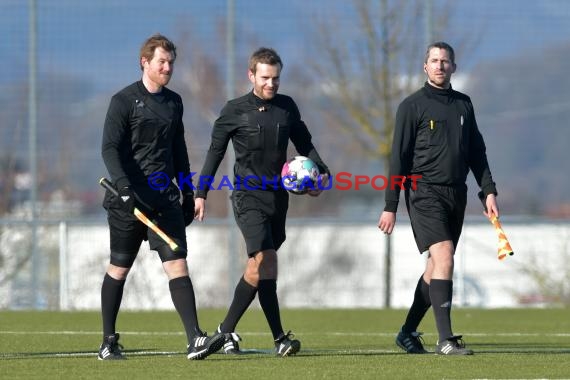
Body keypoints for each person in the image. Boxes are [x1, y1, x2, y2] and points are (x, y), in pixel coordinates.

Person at [194, 47, 330, 357]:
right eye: (265, 78)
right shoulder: (234, 110)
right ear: (251, 75)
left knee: (265, 268)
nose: (271, 84)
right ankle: (231, 331)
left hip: (278, 199)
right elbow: (214, 154)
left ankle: (270, 338)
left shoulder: (287, 107)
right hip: (247, 196)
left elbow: (305, 144)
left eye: (276, 78)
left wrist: (322, 174)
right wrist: (200, 193)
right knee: (263, 259)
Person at [98, 33, 224, 360]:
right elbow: (109, 149)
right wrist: (124, 188)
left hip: (164, 201)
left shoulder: (174, 102)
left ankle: (195, 338)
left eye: (170, 63)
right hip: (129, 202)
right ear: (145, 62)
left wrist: (187, 191)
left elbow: (179, 150)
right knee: (119, 268)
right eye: (161, 62)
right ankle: (108, 341)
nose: (167, 68)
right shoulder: (123, 101)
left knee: (177, 263)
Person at [378, 41, 499, 355]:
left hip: (455, 194)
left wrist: (488, 190)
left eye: (446, 61)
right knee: (445, 255)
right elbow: (398, 159)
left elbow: (477, 152)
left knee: (435, 268)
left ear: (453, 67)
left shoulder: (464, 105)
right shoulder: (412, 106)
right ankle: (446, 339)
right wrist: (390, 205)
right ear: (425, 66)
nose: (440, 65)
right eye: (434, 60)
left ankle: (407, 332)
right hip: (423, 191)